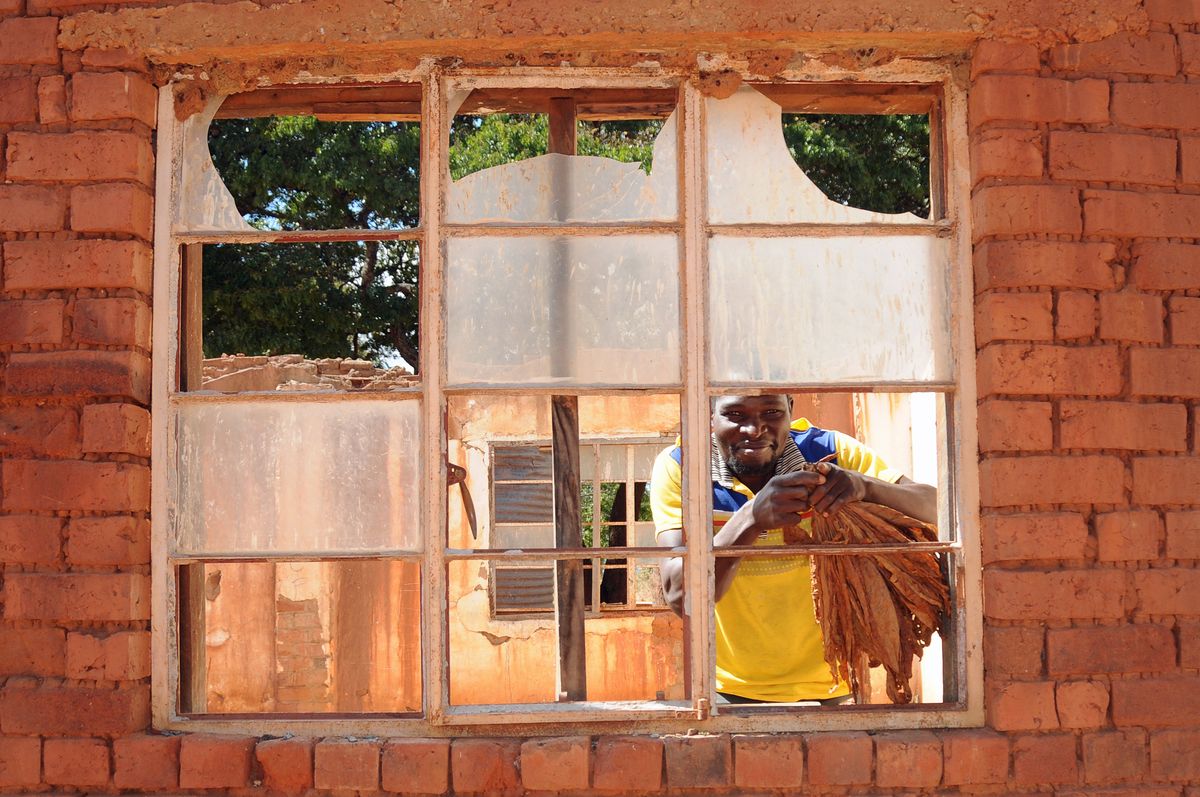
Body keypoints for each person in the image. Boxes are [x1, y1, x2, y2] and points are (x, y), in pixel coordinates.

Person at [650, 394, 936, 704]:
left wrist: (866, 486)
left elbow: (936, 506)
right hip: (728, 690)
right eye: (735, 414)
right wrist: (750, 518)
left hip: (834, 687)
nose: (754, 429)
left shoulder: (831, 452)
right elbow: (682, 596)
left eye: (771, 412)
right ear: (709, 414)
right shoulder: (682, 467)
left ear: (790, 410)